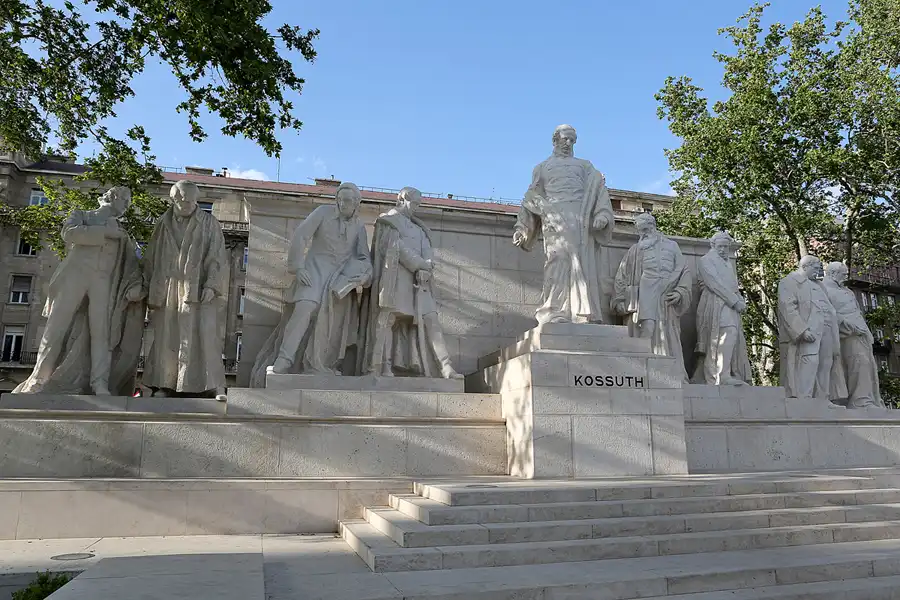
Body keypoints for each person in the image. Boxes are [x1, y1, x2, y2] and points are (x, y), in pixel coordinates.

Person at [14, 186, 145, 396]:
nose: (127, 206)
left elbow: (132, 262)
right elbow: (69, 233)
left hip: (103, 281)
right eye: (126, 201)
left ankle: (99, 383)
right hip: (74, 276)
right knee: (56, 328)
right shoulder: (83, 215)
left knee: (101, 333)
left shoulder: (123, 233)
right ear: (114, 197)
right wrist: (104, 233)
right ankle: (38, 380)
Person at [251, 182, 372, 383]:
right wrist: (297, 267)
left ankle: (322, 364)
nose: (343, 204)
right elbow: (301, 235)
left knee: (332, 324)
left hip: (338, 279)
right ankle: (284, 359)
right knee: (304, 309)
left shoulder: (359, 226)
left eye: (348, 201)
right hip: (314, 271)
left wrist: (361, 275)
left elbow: (363, 256)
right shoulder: (323, 212)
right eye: (340, 200)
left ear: (357, 203)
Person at [513, 124, 616, 324]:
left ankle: (581, 313)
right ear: (555, 140)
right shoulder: (541, 168)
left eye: (572, 140)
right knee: (557, 259)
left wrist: (602, 214)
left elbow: (599, 190)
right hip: (554, 219)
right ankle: (554, 309)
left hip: (581, 219)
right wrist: (522, 229)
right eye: (564, 139)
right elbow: (531, 198)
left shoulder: (585, 166)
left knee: (582, 266)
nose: (568, 143)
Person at [357, 187, 463, 379]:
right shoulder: (388, 221)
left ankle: (446, 367)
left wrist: (426, 267)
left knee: (431, 320)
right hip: (394, 280)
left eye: (418, 204)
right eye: (414, 203)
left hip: (419, 285)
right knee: (387, 321)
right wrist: (420, 265)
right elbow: (394, 246)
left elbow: (427, 251)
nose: (416, 208)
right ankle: (381, 367)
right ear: (402, 199)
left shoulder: (418, 228)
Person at [142, 180, 229, 401]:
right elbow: (151, 255)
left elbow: (217, 256)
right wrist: (147, 285)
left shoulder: (209, 222)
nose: (190, 203)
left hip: (198, 287)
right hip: (168, 286)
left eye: (193, 199)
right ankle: (165, 385)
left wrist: (211, 284)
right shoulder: (163, 223)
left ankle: (213, 386)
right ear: (175, 199)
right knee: (167, 338)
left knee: (204, 337)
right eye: (185, 199)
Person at [613, 212, 692, 382]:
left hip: (666, 294)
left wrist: (679, 292)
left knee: (668, 332)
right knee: (647, 328)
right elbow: (622, 274)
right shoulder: (635, 250)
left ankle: (672, 372)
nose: (643, 234)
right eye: (640, 231)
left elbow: (684, 270)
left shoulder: (672, 246)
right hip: (645, 291)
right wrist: (619, 298)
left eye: (646, 229)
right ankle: (646, 372)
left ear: (653, 227)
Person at [777, 255, 847, 404]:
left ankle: (822, 399)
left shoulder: (820, 285)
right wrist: (801, 330)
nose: (818, 272)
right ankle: (805, 397)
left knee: (826, 363)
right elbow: (788, 308)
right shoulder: (789, 282)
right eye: (815, 268)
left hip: (827, 329)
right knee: (809, 361)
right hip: (809, 331)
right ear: (805, 267)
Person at [823, 261, 884, 408]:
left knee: (867, 364)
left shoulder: (847, 291)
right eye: (843, 274)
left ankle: (867, 398)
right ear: (832, 274)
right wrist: (845, 323)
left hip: (860, 332)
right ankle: (860, 400)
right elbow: (826, 313)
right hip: (846, 333)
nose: (845, 277)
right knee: (858, 363)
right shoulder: (823, 289)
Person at [695, 232, 752, 385]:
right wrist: (735, 301)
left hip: (729, 305)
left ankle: (725, 373)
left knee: (730, 335)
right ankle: (719, 376)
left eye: (726, 247)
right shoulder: (706, 260)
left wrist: (740, 299)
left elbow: (733, 286)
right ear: (713, 245)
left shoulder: (727, 263)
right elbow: (715, 284)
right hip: (715, 303)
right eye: (720, 246)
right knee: (720, 337)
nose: (723, 250)